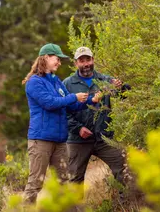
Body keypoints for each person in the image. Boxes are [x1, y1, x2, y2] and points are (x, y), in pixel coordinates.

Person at [22, 43, 101, 203]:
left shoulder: (56, 81)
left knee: (64, 183)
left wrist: (90, 100)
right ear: (45, 58)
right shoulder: (34, 82)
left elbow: (71, 105)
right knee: (36, 183)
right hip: (41, 140)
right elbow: (49, 103)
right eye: (57, 59)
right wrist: (74, 97)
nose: (59, 62)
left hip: (59, 141)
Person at [63, 46, 130, 194]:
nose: (86, 64)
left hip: (104, 139)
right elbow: (62, 112)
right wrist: (78, 128)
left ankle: (125, 205)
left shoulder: (105, 80)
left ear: (93, 60)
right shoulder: (67, 84)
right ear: (76, 63)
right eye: (81, 61)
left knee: (125, 170)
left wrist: (121, 87)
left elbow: (124, 95)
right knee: (75, 181)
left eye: (88, 60)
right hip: (77, 141)